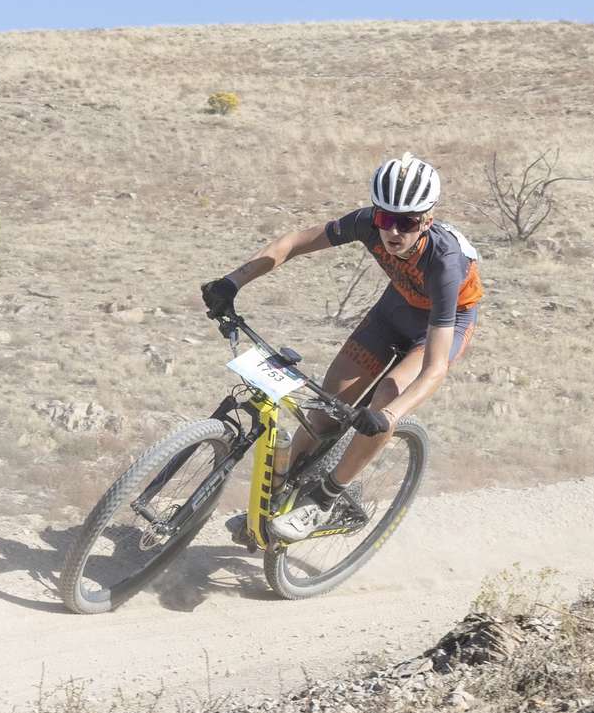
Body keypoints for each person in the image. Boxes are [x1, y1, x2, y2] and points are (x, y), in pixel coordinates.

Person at [201, 153, 483, 541]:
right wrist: (233, 282)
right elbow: (295, 243)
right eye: (386, 218)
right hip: (397, 308)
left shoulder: (445, 264)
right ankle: (276, 502)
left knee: (385, 398)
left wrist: (389, 415)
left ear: (427, 220)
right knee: (325, 412)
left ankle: (324, 499)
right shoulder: (367, 224)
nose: (394, 232)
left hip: (443, 323)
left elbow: (435, 368)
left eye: (408, 222)